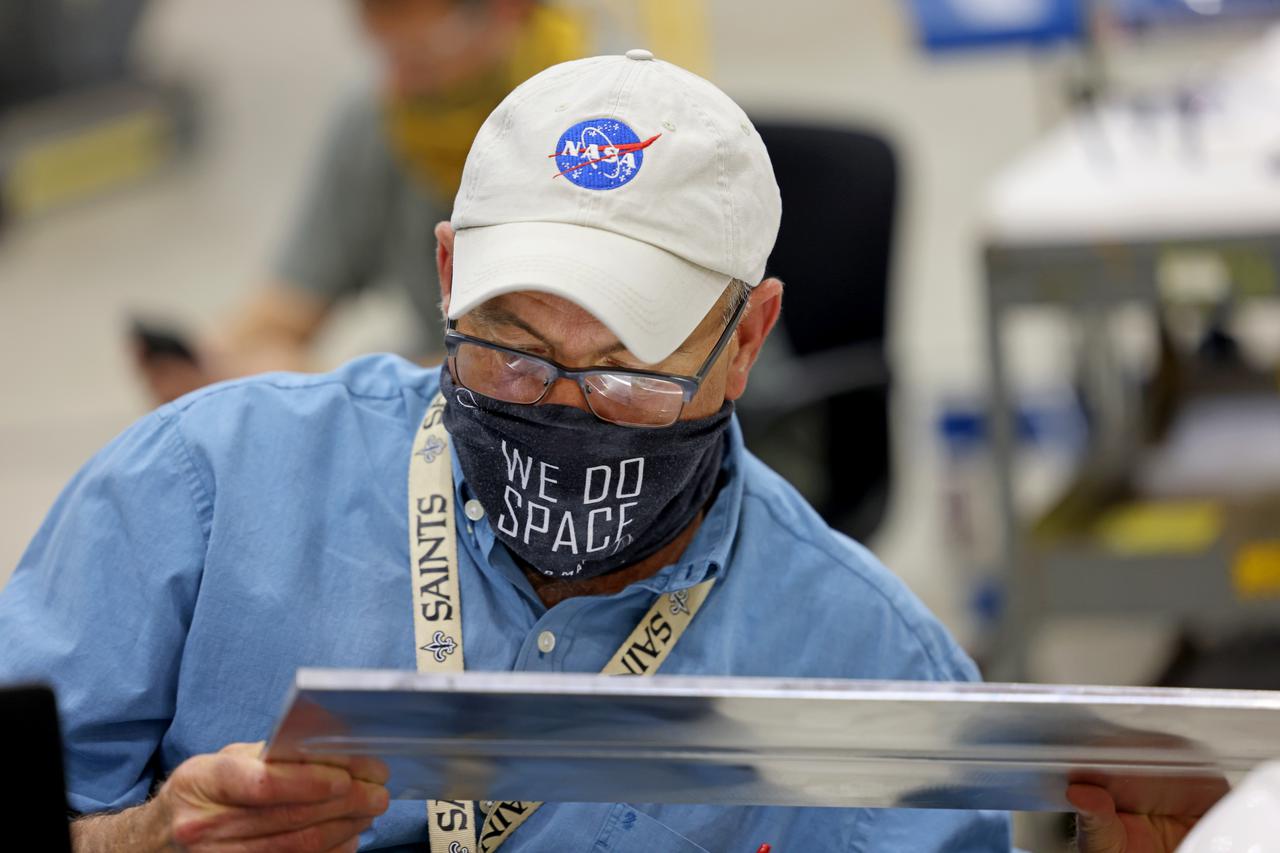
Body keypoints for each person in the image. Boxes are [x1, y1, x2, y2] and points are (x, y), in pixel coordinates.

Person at [3, 52, 1200, 853]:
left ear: (746, 341)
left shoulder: (871, 672)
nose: (562, 407)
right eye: (512, 351)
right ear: (443, 278)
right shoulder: (202, 492)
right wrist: (138, 836)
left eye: (628, 371)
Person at [135, 0, 585, 405]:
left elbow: (577, 367)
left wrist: (342, 393)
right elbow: (290, 304)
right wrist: (217, 366)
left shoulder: (601, 134)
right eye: (385, 48)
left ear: (509, 10)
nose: (401, 80)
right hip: (433, 381)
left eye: (424, 50)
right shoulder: (383, 119)